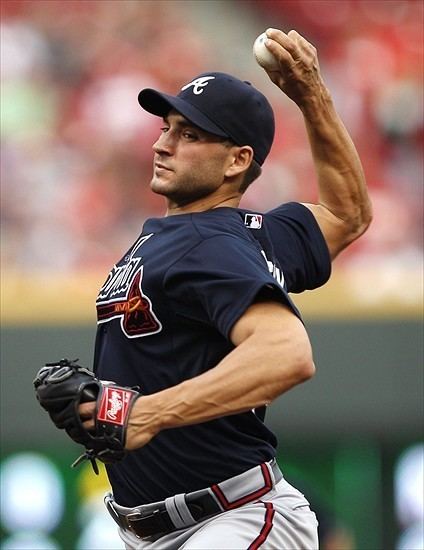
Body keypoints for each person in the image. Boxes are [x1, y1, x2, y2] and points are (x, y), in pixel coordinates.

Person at [80, 28, 372, 549]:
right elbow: (346, 214)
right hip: (169, 527)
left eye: (189, 135)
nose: (162, 143)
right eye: (167, 127)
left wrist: (148, 412)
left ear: (238, 161)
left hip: (230, 519)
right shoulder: (250, 236)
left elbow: (286, 354)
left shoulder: (207, 242)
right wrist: (312, 96)